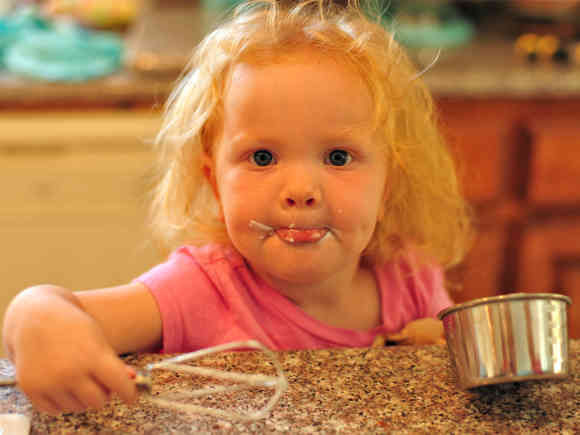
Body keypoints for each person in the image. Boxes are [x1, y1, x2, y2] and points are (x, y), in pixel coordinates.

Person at [2, 0, 472, 416]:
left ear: (388, 179)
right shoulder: (203, 289)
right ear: (214, 180)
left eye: (338, 157)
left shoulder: (410, 278)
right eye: (262, 158)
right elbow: (47, 310)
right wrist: (39, 322)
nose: (302, 190)